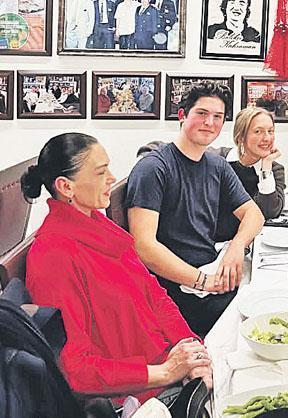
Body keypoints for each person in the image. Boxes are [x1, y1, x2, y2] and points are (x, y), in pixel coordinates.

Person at [21, 133, 211, 404]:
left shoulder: (99, 226)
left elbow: (155, 297)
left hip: (169, 369)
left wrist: (192, 349)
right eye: (101, 172)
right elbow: (75, 370)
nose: (111, 177)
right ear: (66, 186)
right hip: (141, 395)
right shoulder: (52, 256)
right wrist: (166, 372)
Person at [126, 82, 264, 336]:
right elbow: (144, 246)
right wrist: (203, 282)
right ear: (182, 115)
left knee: (272, 291)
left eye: (218, 117)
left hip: (210, 271)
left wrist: (237, 246)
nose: (209, 123)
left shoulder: (216, 165)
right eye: (201, 113)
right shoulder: (153, 168)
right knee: (262, 317)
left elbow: (253, 214)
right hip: (176, 290)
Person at [215, 107, 286, 241]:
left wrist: (266, 167)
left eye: (270, 131)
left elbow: (270, 212)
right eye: (258, 131)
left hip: (252, 242)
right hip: (213, 241)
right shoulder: (218, 159)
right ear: (241, 137)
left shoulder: (275, 169)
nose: (267, 138)